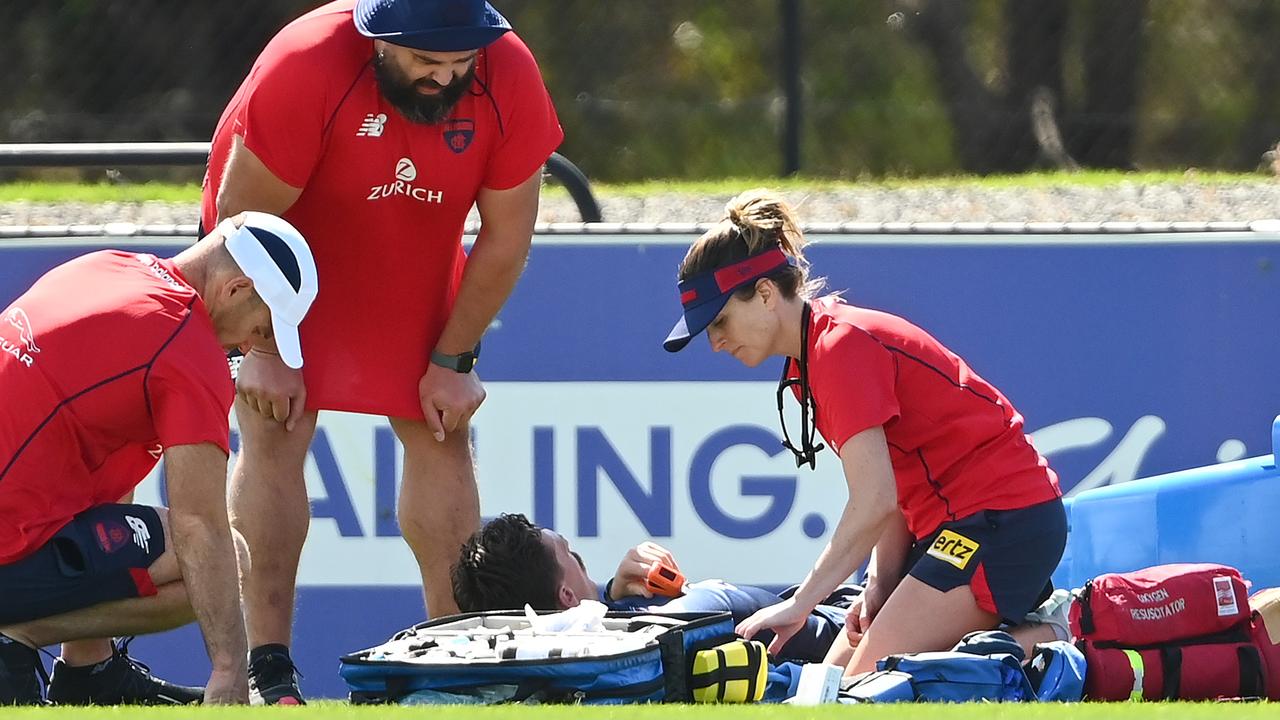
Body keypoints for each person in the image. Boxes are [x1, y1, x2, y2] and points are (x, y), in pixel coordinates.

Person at [200, 0, 562, 703]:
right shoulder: (307, 63)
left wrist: (454, 362)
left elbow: (506, 239)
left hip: (414, 245)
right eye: (426, 62)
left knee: (442, 430)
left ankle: (459, 658)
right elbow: (240, 230)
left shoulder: (510, 72)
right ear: (377, 42)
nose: (445, 78)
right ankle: (267, 668)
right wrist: (264, 348)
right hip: (287, 250)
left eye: (461, 64)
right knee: (274, 425)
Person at [661, 189, 1067, 677]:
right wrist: (880, 583)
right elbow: (892, 494)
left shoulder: (838, 348)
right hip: (954, 526)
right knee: (827, 689)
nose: (715, 341)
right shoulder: (807, 363)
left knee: (867, 686)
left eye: (719, 320)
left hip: (1004, 520)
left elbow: (874, 500)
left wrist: (804, 602)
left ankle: (1057, 635)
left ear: (765, 294)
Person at [0, 213, 318, 705]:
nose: (251, 346)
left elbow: (105, 483)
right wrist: (231, 672)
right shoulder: (185, 348)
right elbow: (200, 526)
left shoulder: (108, 267)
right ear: (235, 289)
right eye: (262, 328)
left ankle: (90, 674)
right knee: (230, 555)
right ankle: (12, 636)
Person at [449, 514, 859, 662]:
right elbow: (829, 629)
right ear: (568, 598)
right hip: (860, 623)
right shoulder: (696, 609)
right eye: (573, 556)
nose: (581, 560)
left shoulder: (548, 671)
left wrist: (612, 597)